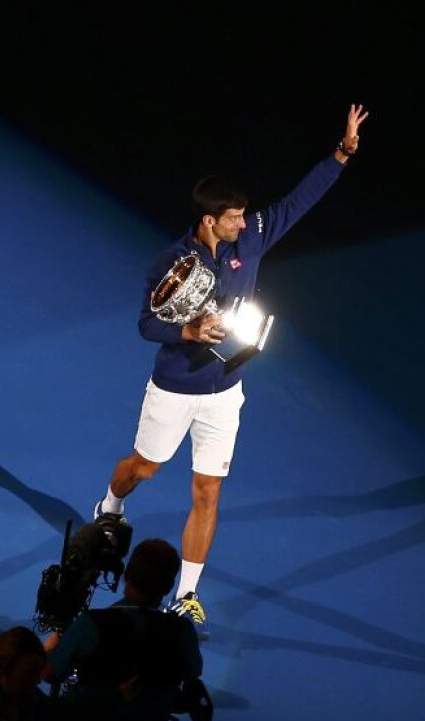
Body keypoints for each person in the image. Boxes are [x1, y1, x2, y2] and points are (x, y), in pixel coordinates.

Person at [94, 106, 370, 624]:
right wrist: (189, 331)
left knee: (208, 488)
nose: (245, 222)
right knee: (145, 469)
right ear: (209, 220)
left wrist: (341, 153)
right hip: (175, 388)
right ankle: (110, 505)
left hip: (225, 392)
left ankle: (187, 594)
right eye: (234, 217)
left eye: (244, 215)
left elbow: (297, 203)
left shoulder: (253, 238)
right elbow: (145, 325)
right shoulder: (170, 264)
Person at [45, 538, 203, 721]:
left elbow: (49, 672)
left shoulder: (90, 625)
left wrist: (58, 633)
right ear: (169, 585)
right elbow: (192, 676)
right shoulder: (182, 632)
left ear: (127, 574)